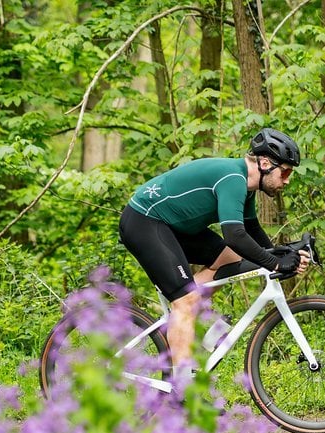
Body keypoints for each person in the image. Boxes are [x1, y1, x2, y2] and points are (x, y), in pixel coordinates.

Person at [118, 128, 310, 379]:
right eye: (285, 172)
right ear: (265, 163)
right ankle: (182, 390)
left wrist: (285, 254)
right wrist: (275, 263)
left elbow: (251, 231)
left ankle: (178, 329)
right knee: (185, 301)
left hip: (173, 226)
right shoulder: (233, 179)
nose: (287, 180)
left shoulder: (246, 185)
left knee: (229, 260)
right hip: (145, 221)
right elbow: (235, 236)